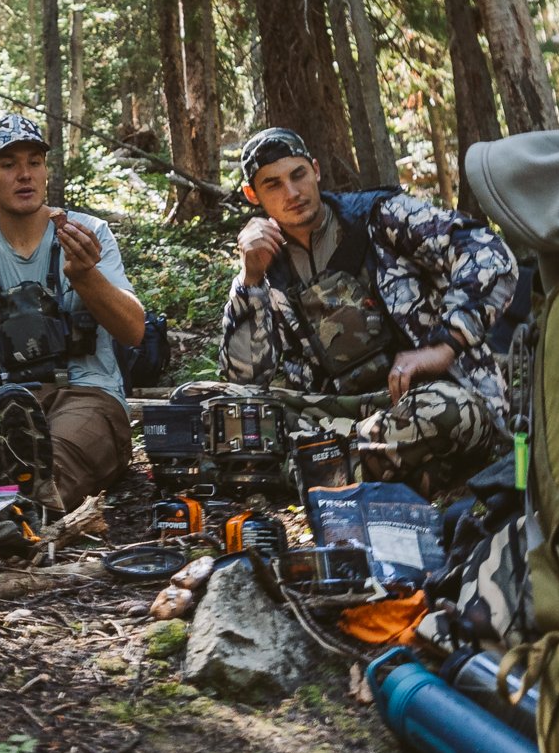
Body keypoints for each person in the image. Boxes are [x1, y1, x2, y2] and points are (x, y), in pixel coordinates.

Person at [220, 125, 516, 495]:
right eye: (273, 184)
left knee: (454, 411)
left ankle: (308, 471)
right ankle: (390, 468)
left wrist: (443, 347)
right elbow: (244, 379)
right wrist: (250, 278)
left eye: (298, 175)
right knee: (207, 406)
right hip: (337, 412)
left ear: (315, 170)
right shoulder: (265, 261)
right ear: (252, 195)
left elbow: (489, 254)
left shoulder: (381, 217)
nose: (292, 193)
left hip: (425, 397)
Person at [0, 112, 148, 512]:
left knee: (51, 462)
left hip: (86, 392)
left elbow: (133, 330)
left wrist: (85, 275)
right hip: (1, 395)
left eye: (34, 162)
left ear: (46, 171)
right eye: (8, 164)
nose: (24, 174)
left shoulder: (86, 233)